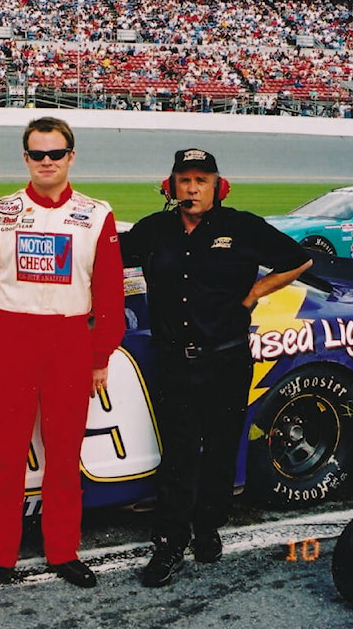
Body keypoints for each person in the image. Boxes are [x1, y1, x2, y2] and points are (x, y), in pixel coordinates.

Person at [120, 149, 312, 588]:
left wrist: (252, 294)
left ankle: (208, 527)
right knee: (179, 455)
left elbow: (299, 260)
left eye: (201, 180)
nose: (192, 188)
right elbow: (106, 258)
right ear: (171, 186)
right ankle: (170, 542)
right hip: (172, 361)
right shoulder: (153, 229)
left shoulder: (241, 226)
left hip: (227, 358)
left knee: (222, 449)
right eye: (184, 180)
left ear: (217, 186)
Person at [0, 117, 125, 595]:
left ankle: (63, 551)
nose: (48, 162)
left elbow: (110, 295)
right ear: (26, 158)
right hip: (12, 341)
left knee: (62, 456)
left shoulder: (97, 214)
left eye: (56, 153)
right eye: (38, 154)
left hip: (70, 343)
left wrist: (100, 356)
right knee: (9, 458)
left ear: (71, 156)